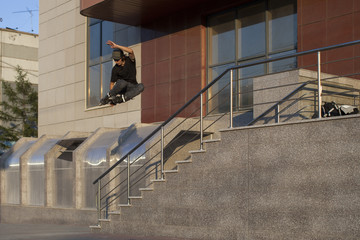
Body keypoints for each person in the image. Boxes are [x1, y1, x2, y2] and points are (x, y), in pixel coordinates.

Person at [99, 40, 144, 105]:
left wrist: (117, 46)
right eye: (115, 60)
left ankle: (121, 99)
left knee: (141, 86)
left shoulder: (130, 60)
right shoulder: (115, 69)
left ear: (122, 57)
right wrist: (112, 95)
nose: (116, 62)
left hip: (131, 87)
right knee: (122, 82)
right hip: (121, 88)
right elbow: (112, 83)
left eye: (117, 60)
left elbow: (131, 51)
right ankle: (108, 97)